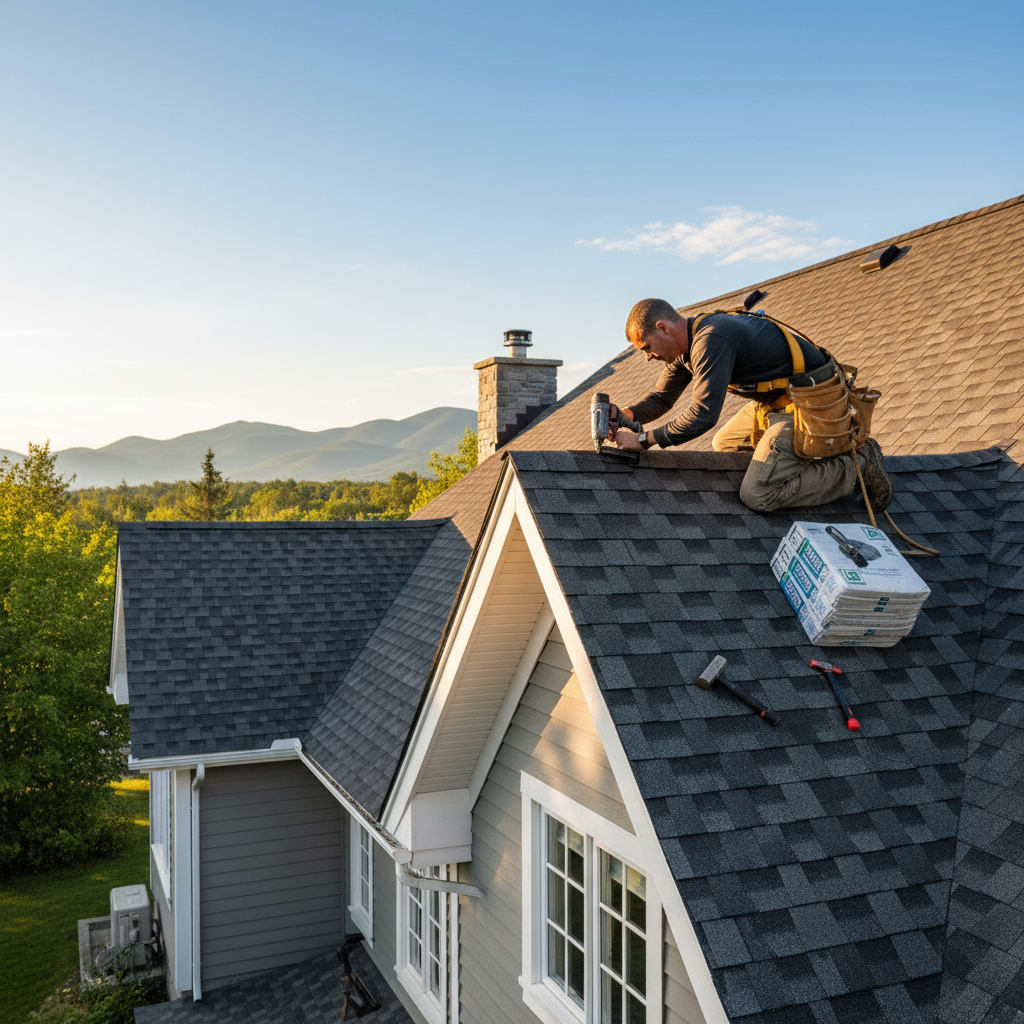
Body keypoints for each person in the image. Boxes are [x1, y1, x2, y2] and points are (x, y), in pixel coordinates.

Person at [610, 298, 894, 513]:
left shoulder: (711, 339)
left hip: (812, 405)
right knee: (724, 443)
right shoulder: (687, 347)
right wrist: (625, 415)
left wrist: (644, 440)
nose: (648, 356)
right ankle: (784, 463)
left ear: (663, 328)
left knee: (757, 495)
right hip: (778, 403)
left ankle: (856, 465)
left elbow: (703, 415)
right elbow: (661, 398)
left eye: (646, 347)